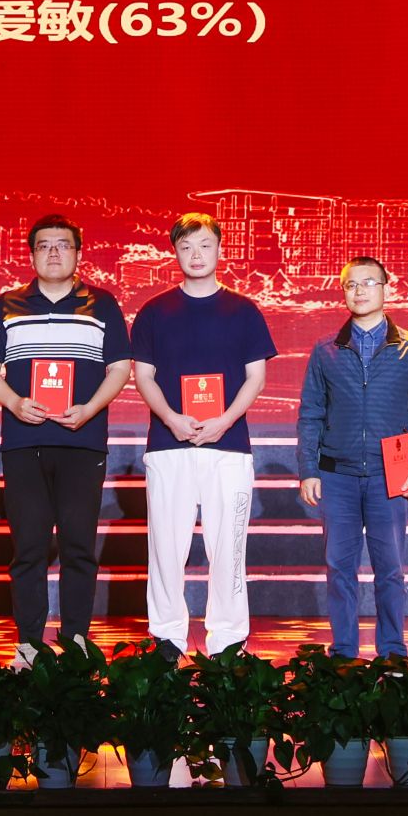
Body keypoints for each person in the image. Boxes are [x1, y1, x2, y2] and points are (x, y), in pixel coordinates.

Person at [0, 214, 132, 657]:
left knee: (79, 546)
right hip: (24, 443)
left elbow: (120, 367)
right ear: (32, 255)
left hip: (82, 441)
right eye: (44, 245)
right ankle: (28, 645)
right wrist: (14, 403)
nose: (54, 253)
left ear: (78, 254)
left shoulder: (102, 304)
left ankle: (76, 642)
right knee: (28, 548)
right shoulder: (8, 304)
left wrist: (89, 409)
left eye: (63, 245)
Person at [130, 212, 276, 655]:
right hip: (168, 445)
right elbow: (143, 376)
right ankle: (167, 637)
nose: (196, 255)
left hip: (228, 446)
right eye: (186, 247)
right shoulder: (154, 311)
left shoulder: (244, 310)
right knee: (166, 547)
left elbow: (256, 377)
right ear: (175, 252)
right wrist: (172, 418)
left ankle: (228, 641)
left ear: (219, 249)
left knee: (228, 549)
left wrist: (225, 419)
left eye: (205, 245)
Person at [296, 257, 408, 660]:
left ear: (385, 289)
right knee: (339, 569)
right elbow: (311, 413)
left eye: (368, 283)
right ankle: (343, 653)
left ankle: (392, 652)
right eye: (351, 285)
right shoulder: (326, 350)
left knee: (390, 569)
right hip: (336, 476)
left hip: (390, 474)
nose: (359, 291)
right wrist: (308, 469)